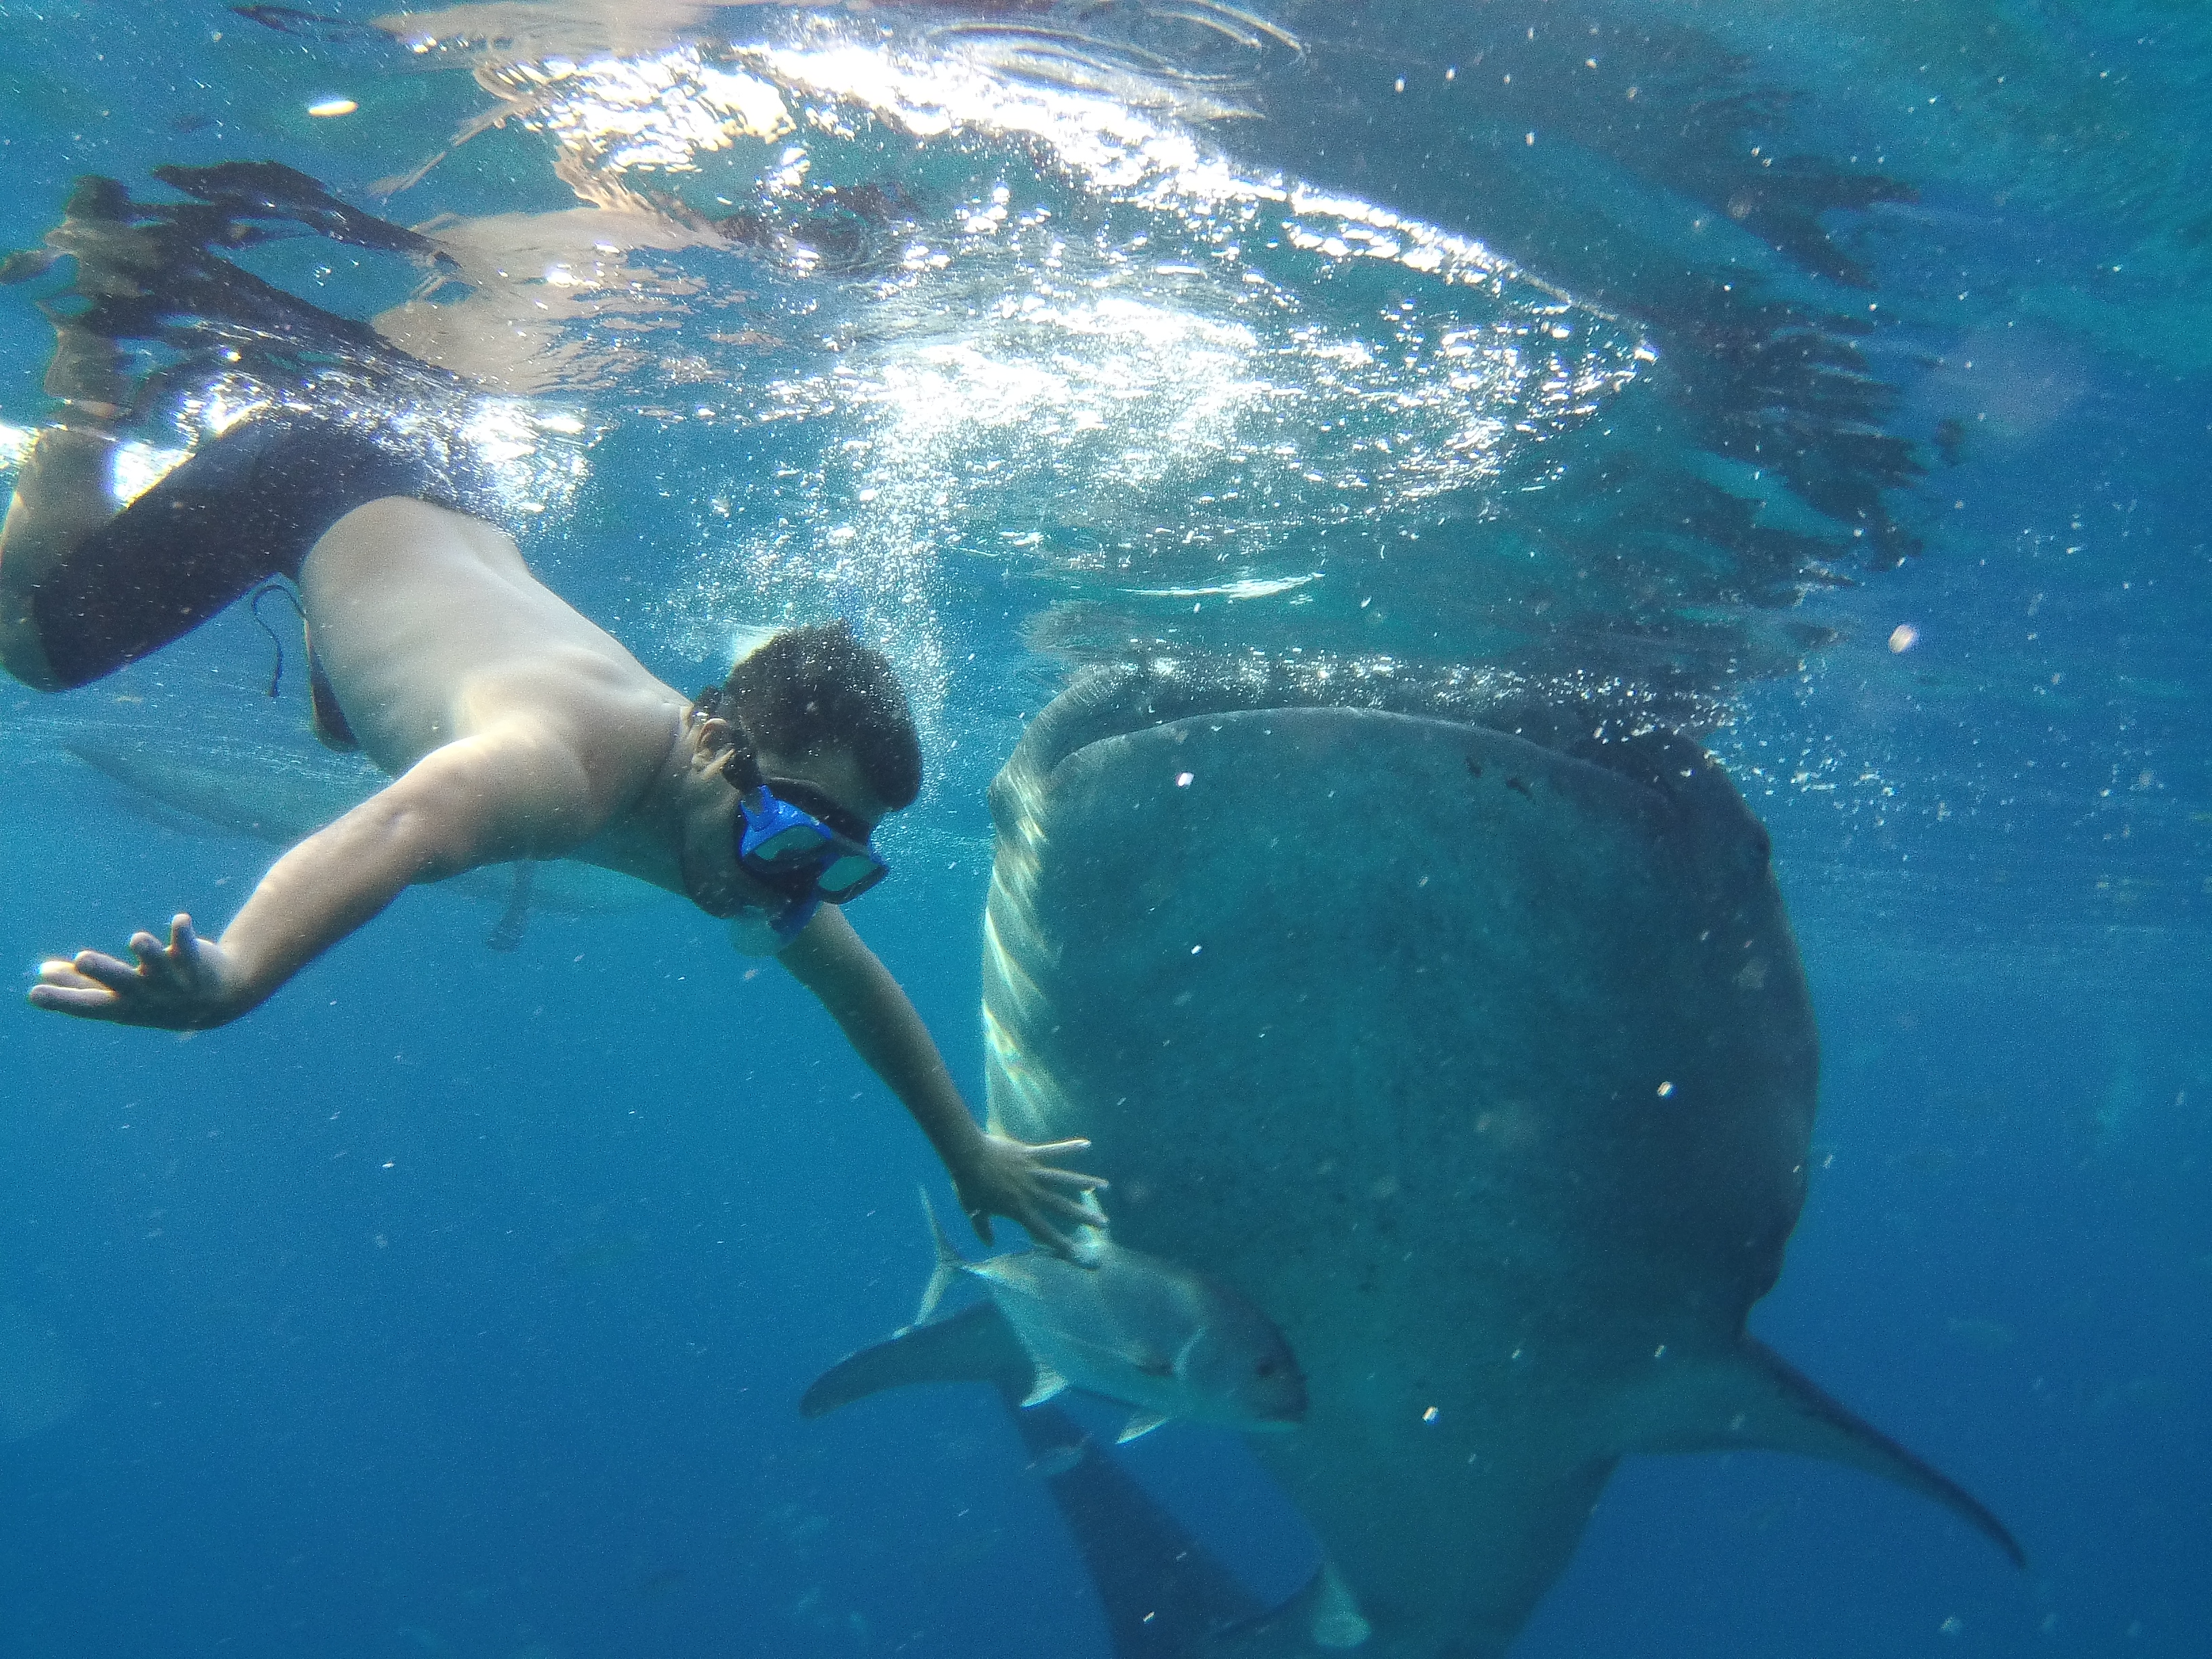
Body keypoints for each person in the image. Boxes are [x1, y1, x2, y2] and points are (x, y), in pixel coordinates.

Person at [0, 184, 1105, 1255]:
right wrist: (237, 973)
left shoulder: (739, 832)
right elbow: (395, 833)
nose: (792, 885)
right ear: (717, 748)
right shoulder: (557, 764)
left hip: (440, 490)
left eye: (832, 866)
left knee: (347, 729)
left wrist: (969, 1150)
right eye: (793, 840)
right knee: (34, 651)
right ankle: (91, 376)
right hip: (317, 478)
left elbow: (859, 987)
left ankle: (278, 523)